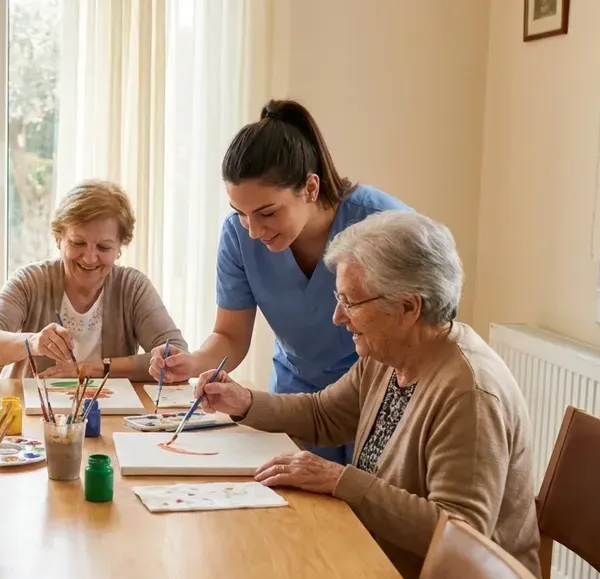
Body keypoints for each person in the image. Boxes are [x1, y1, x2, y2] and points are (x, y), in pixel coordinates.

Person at [192, 211, 540, 579]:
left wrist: (341, 479)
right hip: (380, 562)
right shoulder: (391, 354)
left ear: (408, 307)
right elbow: (323, 414)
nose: (338, 317)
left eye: (351, 302)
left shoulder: (470, 394)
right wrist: (243, 401)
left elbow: (459, 533)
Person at [150, 98, 412, 465]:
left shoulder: (383, 225)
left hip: (371, 397)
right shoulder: (238, 236)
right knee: (292, 513)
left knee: (361, 514)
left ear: (310, 187)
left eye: (267, 213)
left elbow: (420, 333)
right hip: (295, 397)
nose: (254, 231)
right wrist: (192, 362)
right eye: (241, 213)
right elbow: (230, 336)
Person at [0, 179, 184, 381]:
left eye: (104, 247)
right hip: (26, 414)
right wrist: (33, 342)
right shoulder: (30, 281)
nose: (89, 258)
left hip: (105, 417)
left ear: (120, 247)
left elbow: (177, 355)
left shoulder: (132, 287)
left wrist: (94, 368)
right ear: (58, 238)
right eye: (78, 243)